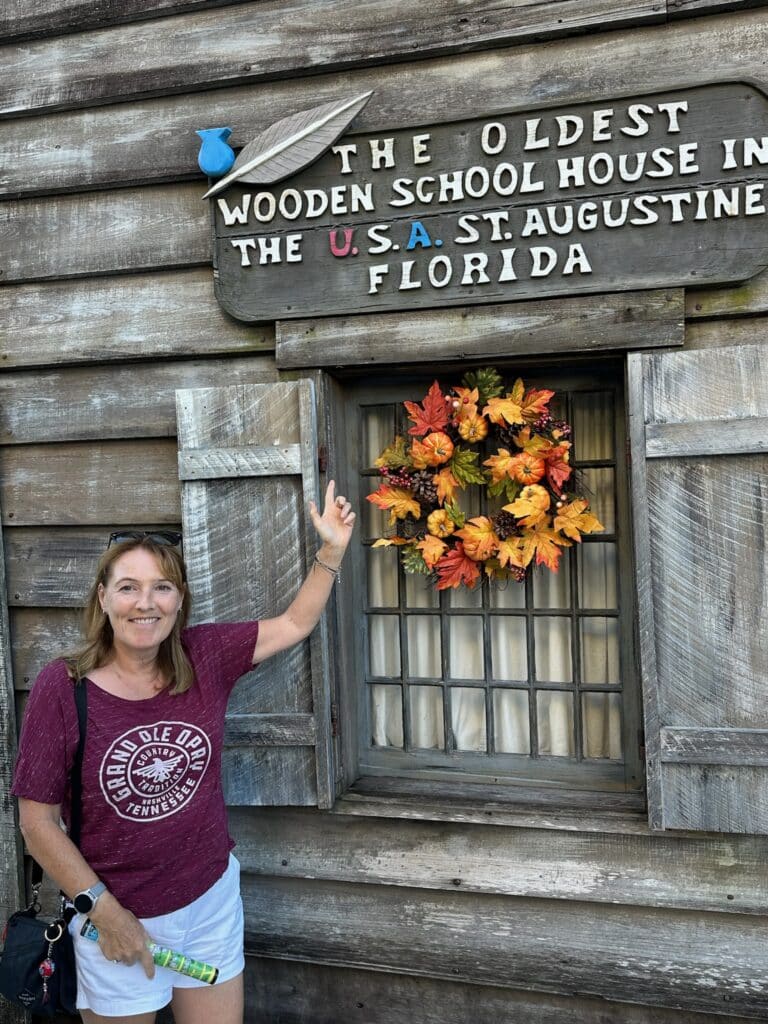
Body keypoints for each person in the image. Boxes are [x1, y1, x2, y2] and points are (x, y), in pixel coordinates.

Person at [11, 481, 355, 1024]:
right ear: (103, 598)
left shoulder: (207, 655)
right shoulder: (65, 686)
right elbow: (38, 823)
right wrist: (105, 912)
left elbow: (295, 623)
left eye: (162, 587)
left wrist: (331, 551)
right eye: (128, 587)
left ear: (180, 599)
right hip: (113, 916)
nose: (145, 602)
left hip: (208, 905)